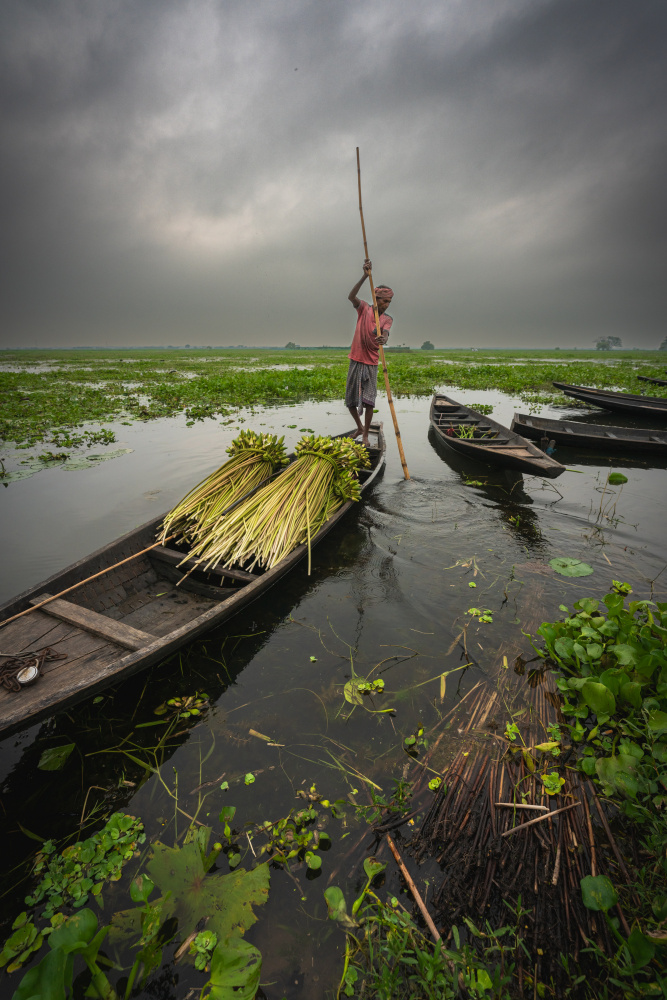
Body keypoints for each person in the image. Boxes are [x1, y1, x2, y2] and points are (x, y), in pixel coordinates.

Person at [345, 259, 393, 445]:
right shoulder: (364, 308)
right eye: (384, 301)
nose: (387, 305)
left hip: (371, 362)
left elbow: (386, 332)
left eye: (389, 301)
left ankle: (365, 435)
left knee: (369, 400)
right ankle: (360, 427)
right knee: (350, 400)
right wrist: (365, 275)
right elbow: (351, 296)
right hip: (356, 359)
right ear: (376, 299)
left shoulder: (387, 318)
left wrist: (384, 338)